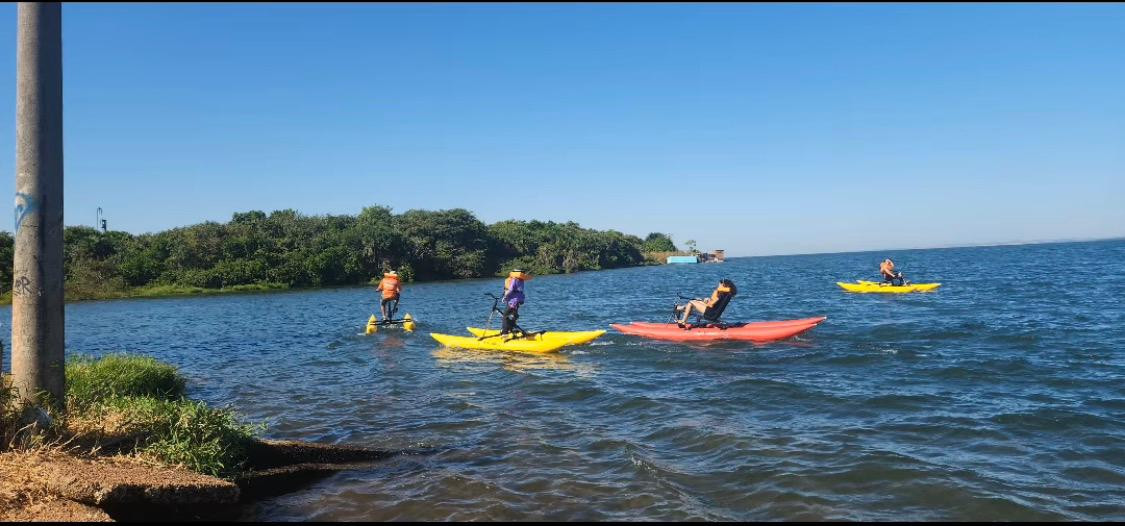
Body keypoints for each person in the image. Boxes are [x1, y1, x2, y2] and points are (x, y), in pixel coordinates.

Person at [500, 268, 532, 336]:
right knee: (513, 315)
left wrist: (505, 296)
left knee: (505, 316)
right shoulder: (521, 280)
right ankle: (511, 329)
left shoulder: (514, 279)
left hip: (512, 301)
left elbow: (511, 290)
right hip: (519, 300)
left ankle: (505, 333)